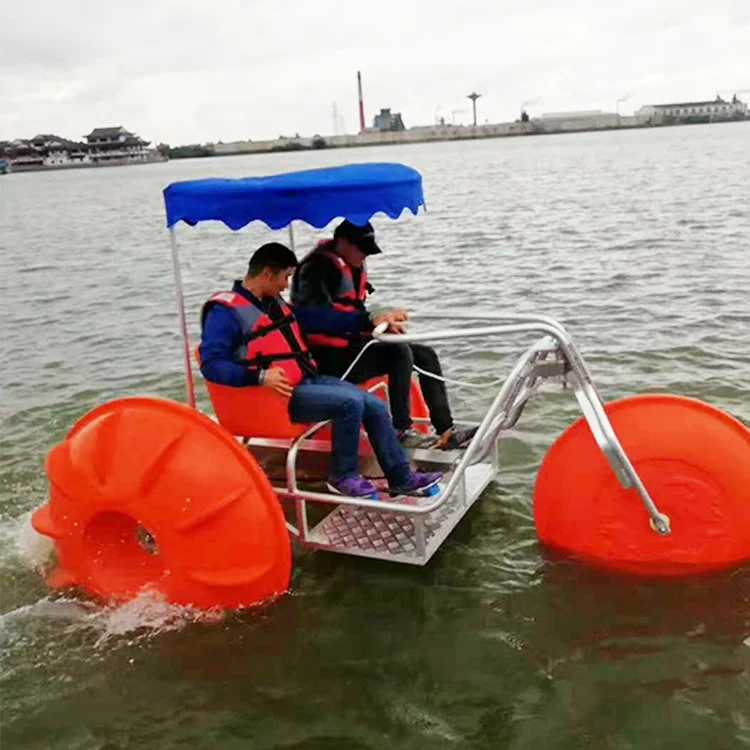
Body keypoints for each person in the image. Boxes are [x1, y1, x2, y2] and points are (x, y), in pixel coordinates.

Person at [199, 242, 442, 499]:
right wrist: (258, 376)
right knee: (349, 403)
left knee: (373, 403)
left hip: (304, 382)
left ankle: (401, 478)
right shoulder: (224, 314)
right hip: (275, 397)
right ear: (267, 273)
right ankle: (343, 476)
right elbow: (211, 365)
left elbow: (319, 319)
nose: (286, 285)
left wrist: (369, 318)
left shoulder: (271, 303)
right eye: (285, 277)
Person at [291, 219, 477, 449]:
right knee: (397, 353)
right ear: (342, 243)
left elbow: (351, 309)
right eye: (362, 250)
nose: (365, 257)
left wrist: (382, 320)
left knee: (425, 354)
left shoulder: (350, 263)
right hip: (328, 358)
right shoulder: (317, 269)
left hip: (352, 347)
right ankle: (401, 430)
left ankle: (447, 431)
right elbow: (311, 318)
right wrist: (367, 320)